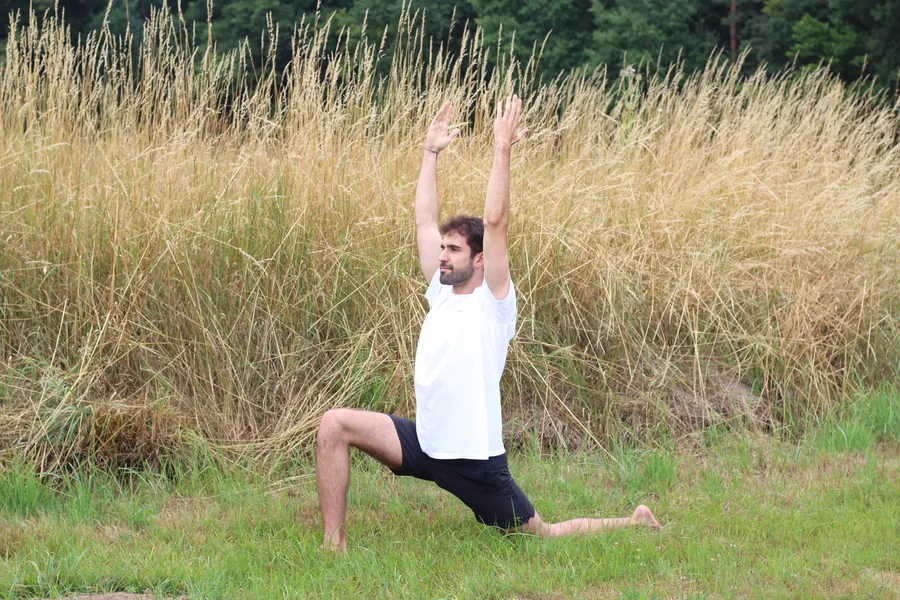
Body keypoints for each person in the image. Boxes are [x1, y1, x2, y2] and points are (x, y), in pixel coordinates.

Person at [315, 97, 660, 551]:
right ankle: (333, 544)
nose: (442, 255)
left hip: (474, 462)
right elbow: (423, 220)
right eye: (442, 248)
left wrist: (502, 150)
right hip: (426, 444)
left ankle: (634, 522)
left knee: (542, 535)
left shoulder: (494, 303)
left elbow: (496, 222)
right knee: (334, 425)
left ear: (479, 259)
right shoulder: (441, 292)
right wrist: (429, 152)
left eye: (453, 250)